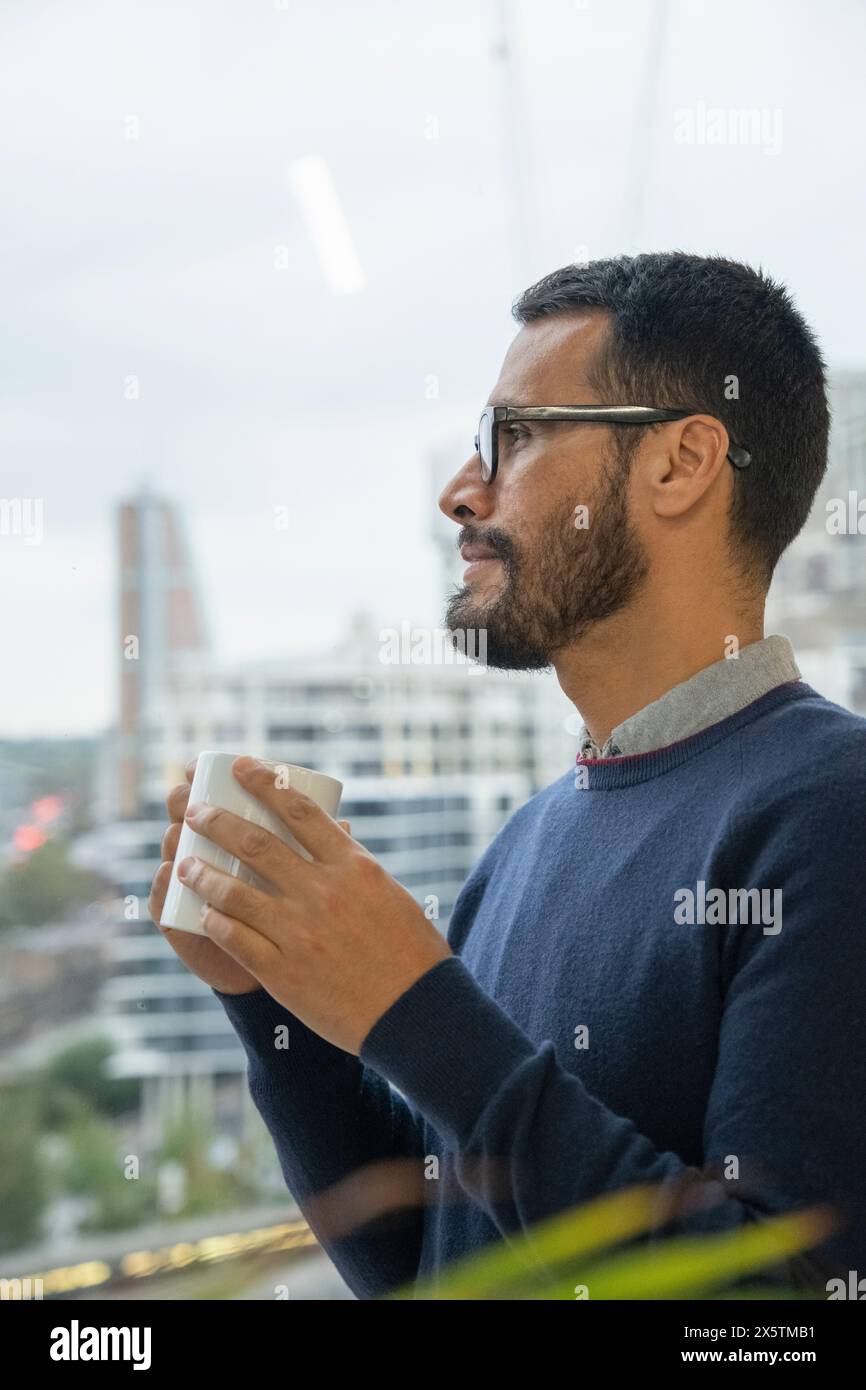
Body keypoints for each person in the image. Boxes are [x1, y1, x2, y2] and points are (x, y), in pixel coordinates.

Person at [149, 252, 866, 1300]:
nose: (460, 490)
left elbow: (776, 1316)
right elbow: (420, 1267)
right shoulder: (529, 838)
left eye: (515, 434)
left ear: (679, 463)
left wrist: (412, 1006)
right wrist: (275, 1004)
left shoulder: (831, 813)